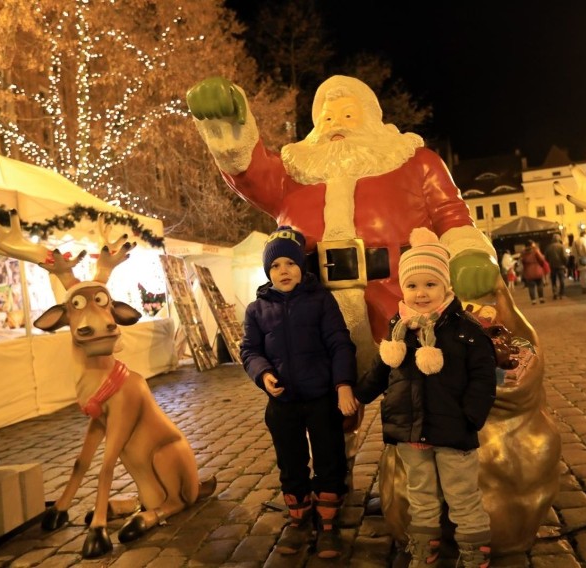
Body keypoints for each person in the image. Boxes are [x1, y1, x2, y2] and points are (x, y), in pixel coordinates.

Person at [186, 75, 500, 374]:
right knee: (329, 408)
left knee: (413, 397)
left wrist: (468, 253)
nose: (336, 124)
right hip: (316, 312)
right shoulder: (290, 175)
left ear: (372, 121)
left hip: (401, 304)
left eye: (349, 116)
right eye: (328, 118)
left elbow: (451, 215)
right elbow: (246, 170)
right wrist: (226, 125)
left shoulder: (417, 162)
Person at [354, 228, 497, 568]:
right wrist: (358, 395)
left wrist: (470, 417)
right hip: (410, 429)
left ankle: (475, 553)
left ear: (446, 286)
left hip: (452, 429)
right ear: (403, 288)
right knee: (420, 495)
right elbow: (380, 370)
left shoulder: (465, 329)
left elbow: (482, 377)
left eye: (430, 284)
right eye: (412, 286)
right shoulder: (397, 328)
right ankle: (423, 548)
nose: (420, 294)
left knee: (462, 495)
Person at [239, 226, 359, 559]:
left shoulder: (321, 300)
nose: (283, 271)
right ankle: (299, 519)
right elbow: (249, 350)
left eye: (289, 263)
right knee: (291, 463)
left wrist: (343, 385)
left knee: (329, 459)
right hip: (283, 401)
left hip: (321, 397)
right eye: (275, 266)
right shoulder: (257, 310)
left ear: (300, 266)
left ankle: (328, 524)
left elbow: (339, 343)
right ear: (268, 273)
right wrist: (262, 374)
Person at [544, 234, 568, 299]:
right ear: (559, 239)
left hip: (552, 266)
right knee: (562, 280)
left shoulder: (549, 247)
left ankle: (555, 292)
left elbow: (546, 258)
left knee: (553, 281)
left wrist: (550, 262)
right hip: (561, 266)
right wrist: (565, 264)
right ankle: (561, 294)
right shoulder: (561, 247)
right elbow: (564, 257)